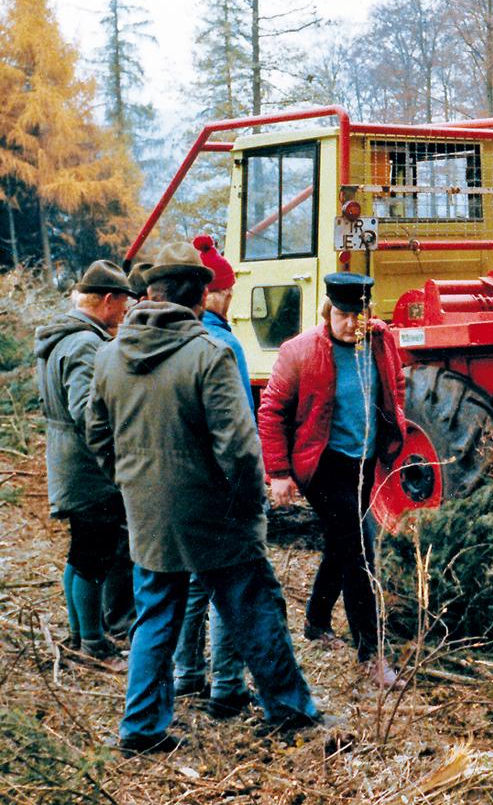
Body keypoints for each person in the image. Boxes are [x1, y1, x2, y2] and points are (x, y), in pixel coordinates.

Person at [87, 242, 322, 755]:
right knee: (254, 608)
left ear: (149, 294)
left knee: (155, 617)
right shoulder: (209, 355)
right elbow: (239, 450)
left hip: (149, 516)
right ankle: (290, 709)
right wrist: (246, 507)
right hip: (216, 518)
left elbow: (97, 437)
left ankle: (142, 729)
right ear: (201, 298)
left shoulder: (107, 357)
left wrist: (131, 485)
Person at [259, 273, 409, 688]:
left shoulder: (381, 342)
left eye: (358, 315)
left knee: (343, 544)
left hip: (362, 461)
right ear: (329, 311)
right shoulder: (301, 351)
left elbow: (394, 384)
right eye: (343, 315)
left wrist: (392, 427)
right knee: (359, 552)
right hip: (321, 463)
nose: (351, 324)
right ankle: (371, 655)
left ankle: (315, 621)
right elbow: (271, 411)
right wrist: (279, 473)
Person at [35, 261, 136, 670]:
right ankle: (93, 642)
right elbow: (87, 412)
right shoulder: (85, 345)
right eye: (125, 302)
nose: (128, 310)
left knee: (81, 553)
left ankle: (81, 636)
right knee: (93, 554)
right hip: (88, 468)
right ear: (108, 300)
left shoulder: (65, 336)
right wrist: (115, 455)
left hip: (69, 460)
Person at [170, 236, 254, 719]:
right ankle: (227, 685)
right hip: (220, 484)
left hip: (182, 483)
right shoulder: (224, 344)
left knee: (192, 584)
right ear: (215, 293)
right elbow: (239, 419)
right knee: (226, 585)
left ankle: (186, 674)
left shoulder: (173, 341)